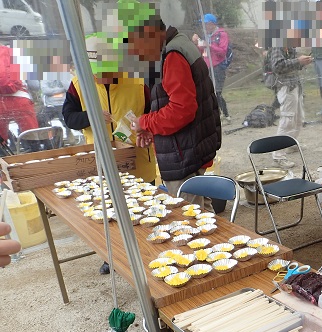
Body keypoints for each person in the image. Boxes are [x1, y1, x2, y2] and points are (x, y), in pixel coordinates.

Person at [63, 34, 157, 275]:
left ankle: (150, 252)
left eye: (109, 70)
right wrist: (91, 117)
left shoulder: (137, 82)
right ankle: (112, 256)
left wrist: (145, 126)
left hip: (137, 160)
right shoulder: (78, 84)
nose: (104, 76)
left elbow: (152, 113)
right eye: (99, 72)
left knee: (145, 209)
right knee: (109, 212)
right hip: (102, 160)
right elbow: (69, 117)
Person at [127, 12, 221, 211]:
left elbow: (182, 110)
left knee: (190, 218)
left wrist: (146, 122)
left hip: (185, 154)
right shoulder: (179, 44)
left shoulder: (172, 55)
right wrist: (152, 128)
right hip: (191, 147)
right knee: (203, 214)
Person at [267, 45, 313, 168]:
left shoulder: (289, 45)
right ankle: (278, 156)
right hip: (286, 87)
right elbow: (277, 66)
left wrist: (302, 62)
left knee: (298, 118)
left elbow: (291, 65)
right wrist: (298, 61)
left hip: (294, 84)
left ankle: (290, 143)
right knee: (287, 120)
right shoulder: (277, 46)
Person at [192, 13, 231, 125]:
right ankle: (217, 116)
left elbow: (222, 51)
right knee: (210, 92)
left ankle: (226, 116)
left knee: (217, 92)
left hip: (218, 67)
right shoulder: (206, 36)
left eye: (205, 24)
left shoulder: (221, 35)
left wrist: (209, 46)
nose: (204, 26)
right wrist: (197, 44)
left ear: (211, 24)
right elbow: (201, 52)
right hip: (207, 67)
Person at [0, 44, 38, 148]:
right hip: (21, 100)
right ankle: (33, 154)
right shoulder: (17, 53)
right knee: (32, 136)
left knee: (1, 144)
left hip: (1, 103)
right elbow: (35, 85)